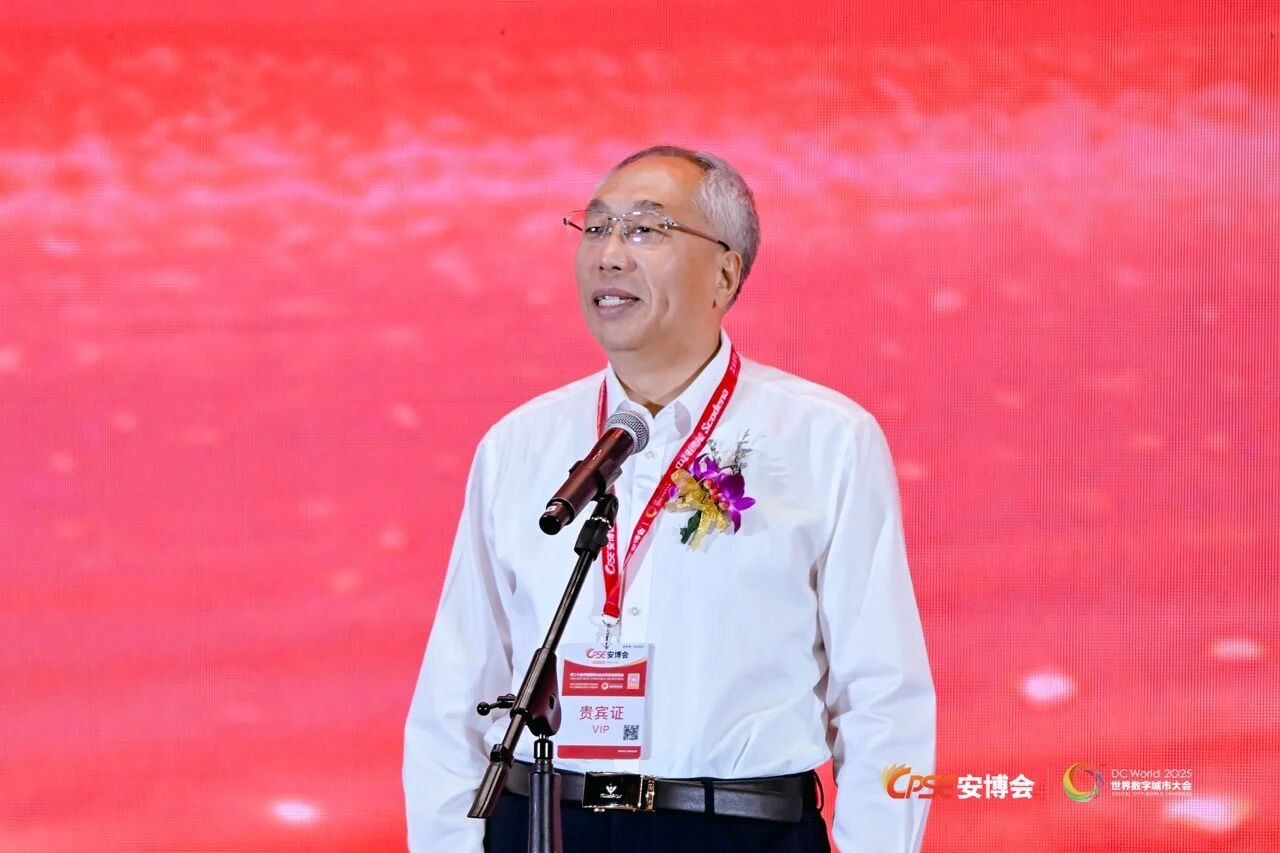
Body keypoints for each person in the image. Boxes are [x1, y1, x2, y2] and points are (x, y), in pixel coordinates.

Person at [404, 145, 935, 852]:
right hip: (544, 823)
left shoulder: (826, 439)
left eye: (645, 230)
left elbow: (884, 698)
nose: (608, 255)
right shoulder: (519, 443)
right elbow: (457, 686)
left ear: (724, 272)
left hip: (738, 830)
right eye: (596, 228)